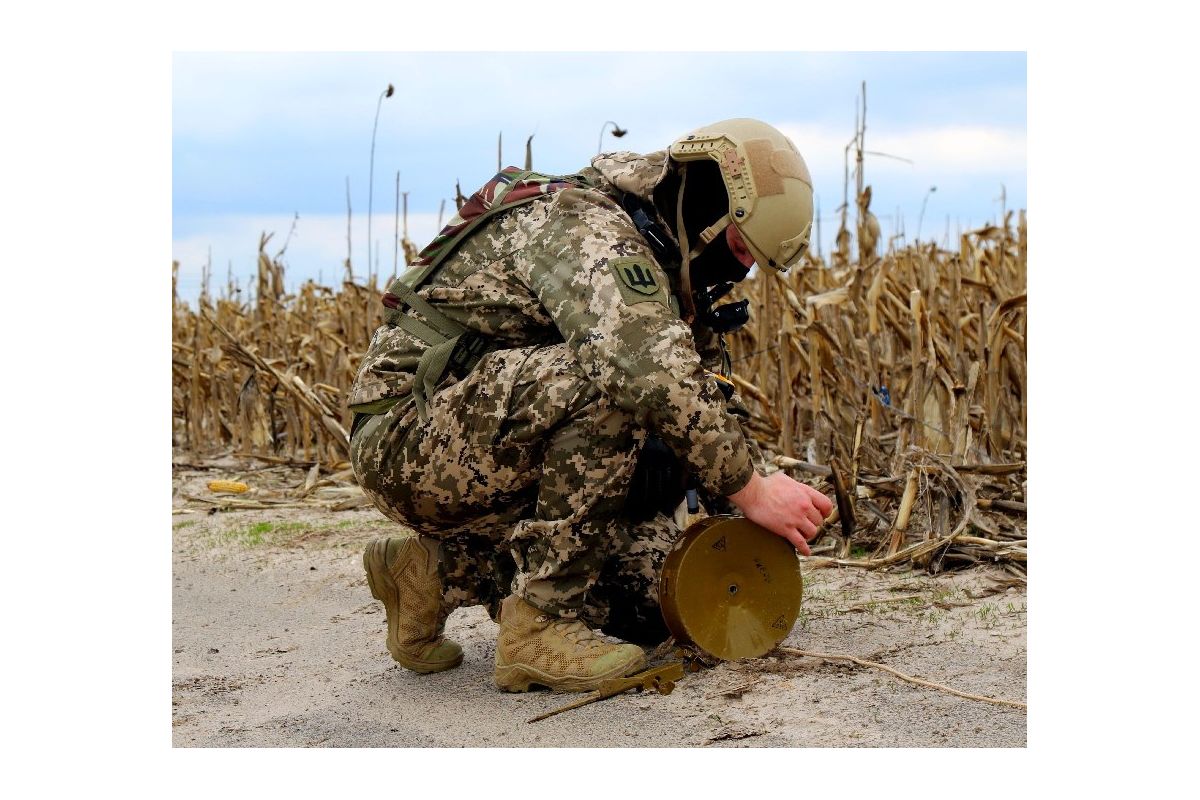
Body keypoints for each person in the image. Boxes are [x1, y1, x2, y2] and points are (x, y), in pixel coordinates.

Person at [348, 118, 834, 693]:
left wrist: (729, 537)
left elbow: (695, 404)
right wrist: (753, 488)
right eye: (736, 247)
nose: (738, 270)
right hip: (405, 434)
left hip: (487, 434)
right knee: (614, 380)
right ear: (708, 203)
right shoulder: (586, 222)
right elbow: (645, 369)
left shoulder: (664, 257)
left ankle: (432, 576)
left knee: (651, 598)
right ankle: (539, 625)